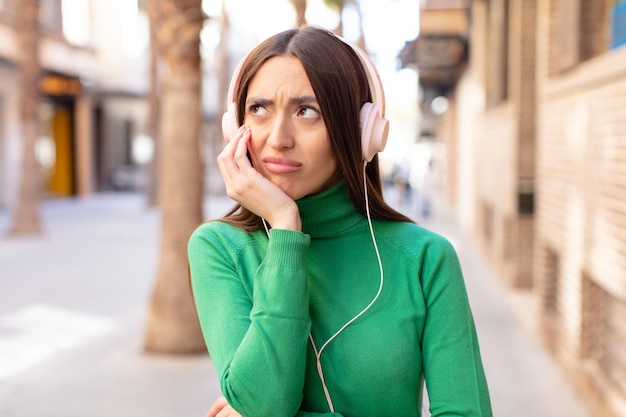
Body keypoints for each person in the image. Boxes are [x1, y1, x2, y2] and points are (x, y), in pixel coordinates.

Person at [188, 26, 492, 417]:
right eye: (258, 109)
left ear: (361, 130)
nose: (278, 138)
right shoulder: (219, 248)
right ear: (235, 127)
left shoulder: (425, 259)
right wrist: (284, 227)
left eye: (307, 111)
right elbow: (265, 404)